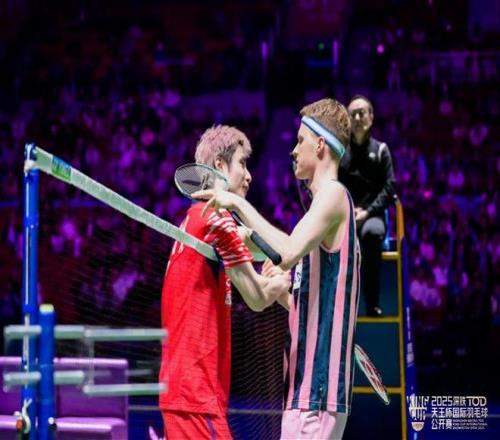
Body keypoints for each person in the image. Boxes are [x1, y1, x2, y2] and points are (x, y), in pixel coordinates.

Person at [194, 98, 360, 440]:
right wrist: (282, 286)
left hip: (316, 391)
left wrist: (235, 203)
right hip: (306, 391)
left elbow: (285, 252)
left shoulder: (333, 194)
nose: (293, 151)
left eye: (300, 141)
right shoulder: (323, 211)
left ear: (320, 145)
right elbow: (303, 288)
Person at [159, 125, 290, 439]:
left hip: (184, 393)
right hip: (196, 395)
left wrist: (282, 260)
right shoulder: (217, 218)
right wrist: (281, 282)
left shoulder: (194, 219)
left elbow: (258, 245)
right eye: (242, 163)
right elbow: (257, 298)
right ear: (219, 165)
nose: (249, 176)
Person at [339, 95, 396, 317]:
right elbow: (332, 184)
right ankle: (341, 305)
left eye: (361, 113)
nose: (357, 118)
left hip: (372, 215)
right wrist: (347, 211)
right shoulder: (340, 152)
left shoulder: (381, 150)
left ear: (371, 117)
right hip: (345, 216)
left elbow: (390, 188)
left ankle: (372, 303)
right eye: (352, 114)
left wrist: (368, 212)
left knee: (372, 234)